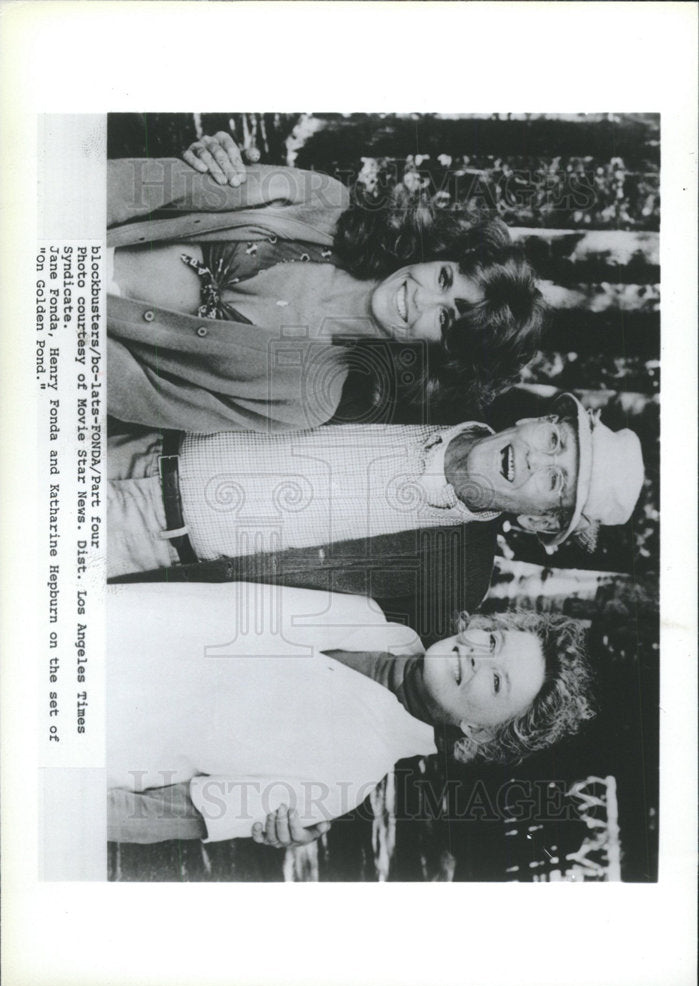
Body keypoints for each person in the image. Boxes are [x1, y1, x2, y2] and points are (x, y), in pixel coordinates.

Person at [107, 132, 545, 433]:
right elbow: (155, 188)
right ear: (437, 254)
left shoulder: (310, 398)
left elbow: (149, 397)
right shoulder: (323, 200)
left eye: (446, 320)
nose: (422, 296)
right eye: (444, 278)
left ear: (439, 357)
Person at [107, 393, 645, 633]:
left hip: (150, 548)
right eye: (554, 439)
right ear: (534, 419)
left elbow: (343, 653)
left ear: (537, 522)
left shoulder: (455, 579)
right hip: (139, 428)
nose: (535, 457)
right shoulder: (437, 379)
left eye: (555, 479)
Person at [106, 583, 595, 845]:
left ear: (480, 731)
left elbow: (153, 815)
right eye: (493, 641)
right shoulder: (364, 611)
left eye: (495, 681)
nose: (475, 655)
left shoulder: (342, 780)